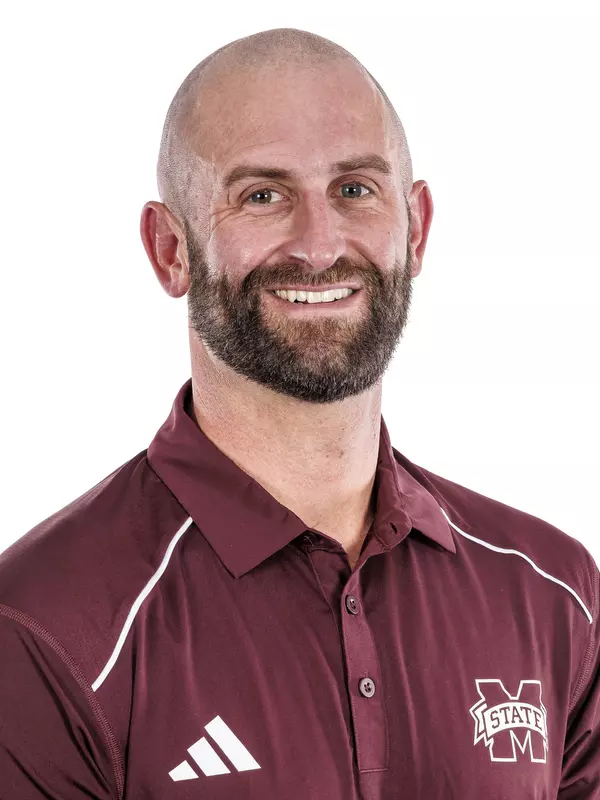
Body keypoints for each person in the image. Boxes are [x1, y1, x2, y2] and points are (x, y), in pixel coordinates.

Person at [0, 26, 597, 799]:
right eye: (262, 196)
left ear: (416, 227)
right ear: (169, 250)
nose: (318, 246)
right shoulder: (45, 630)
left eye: (355, 190)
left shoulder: (554, 595)